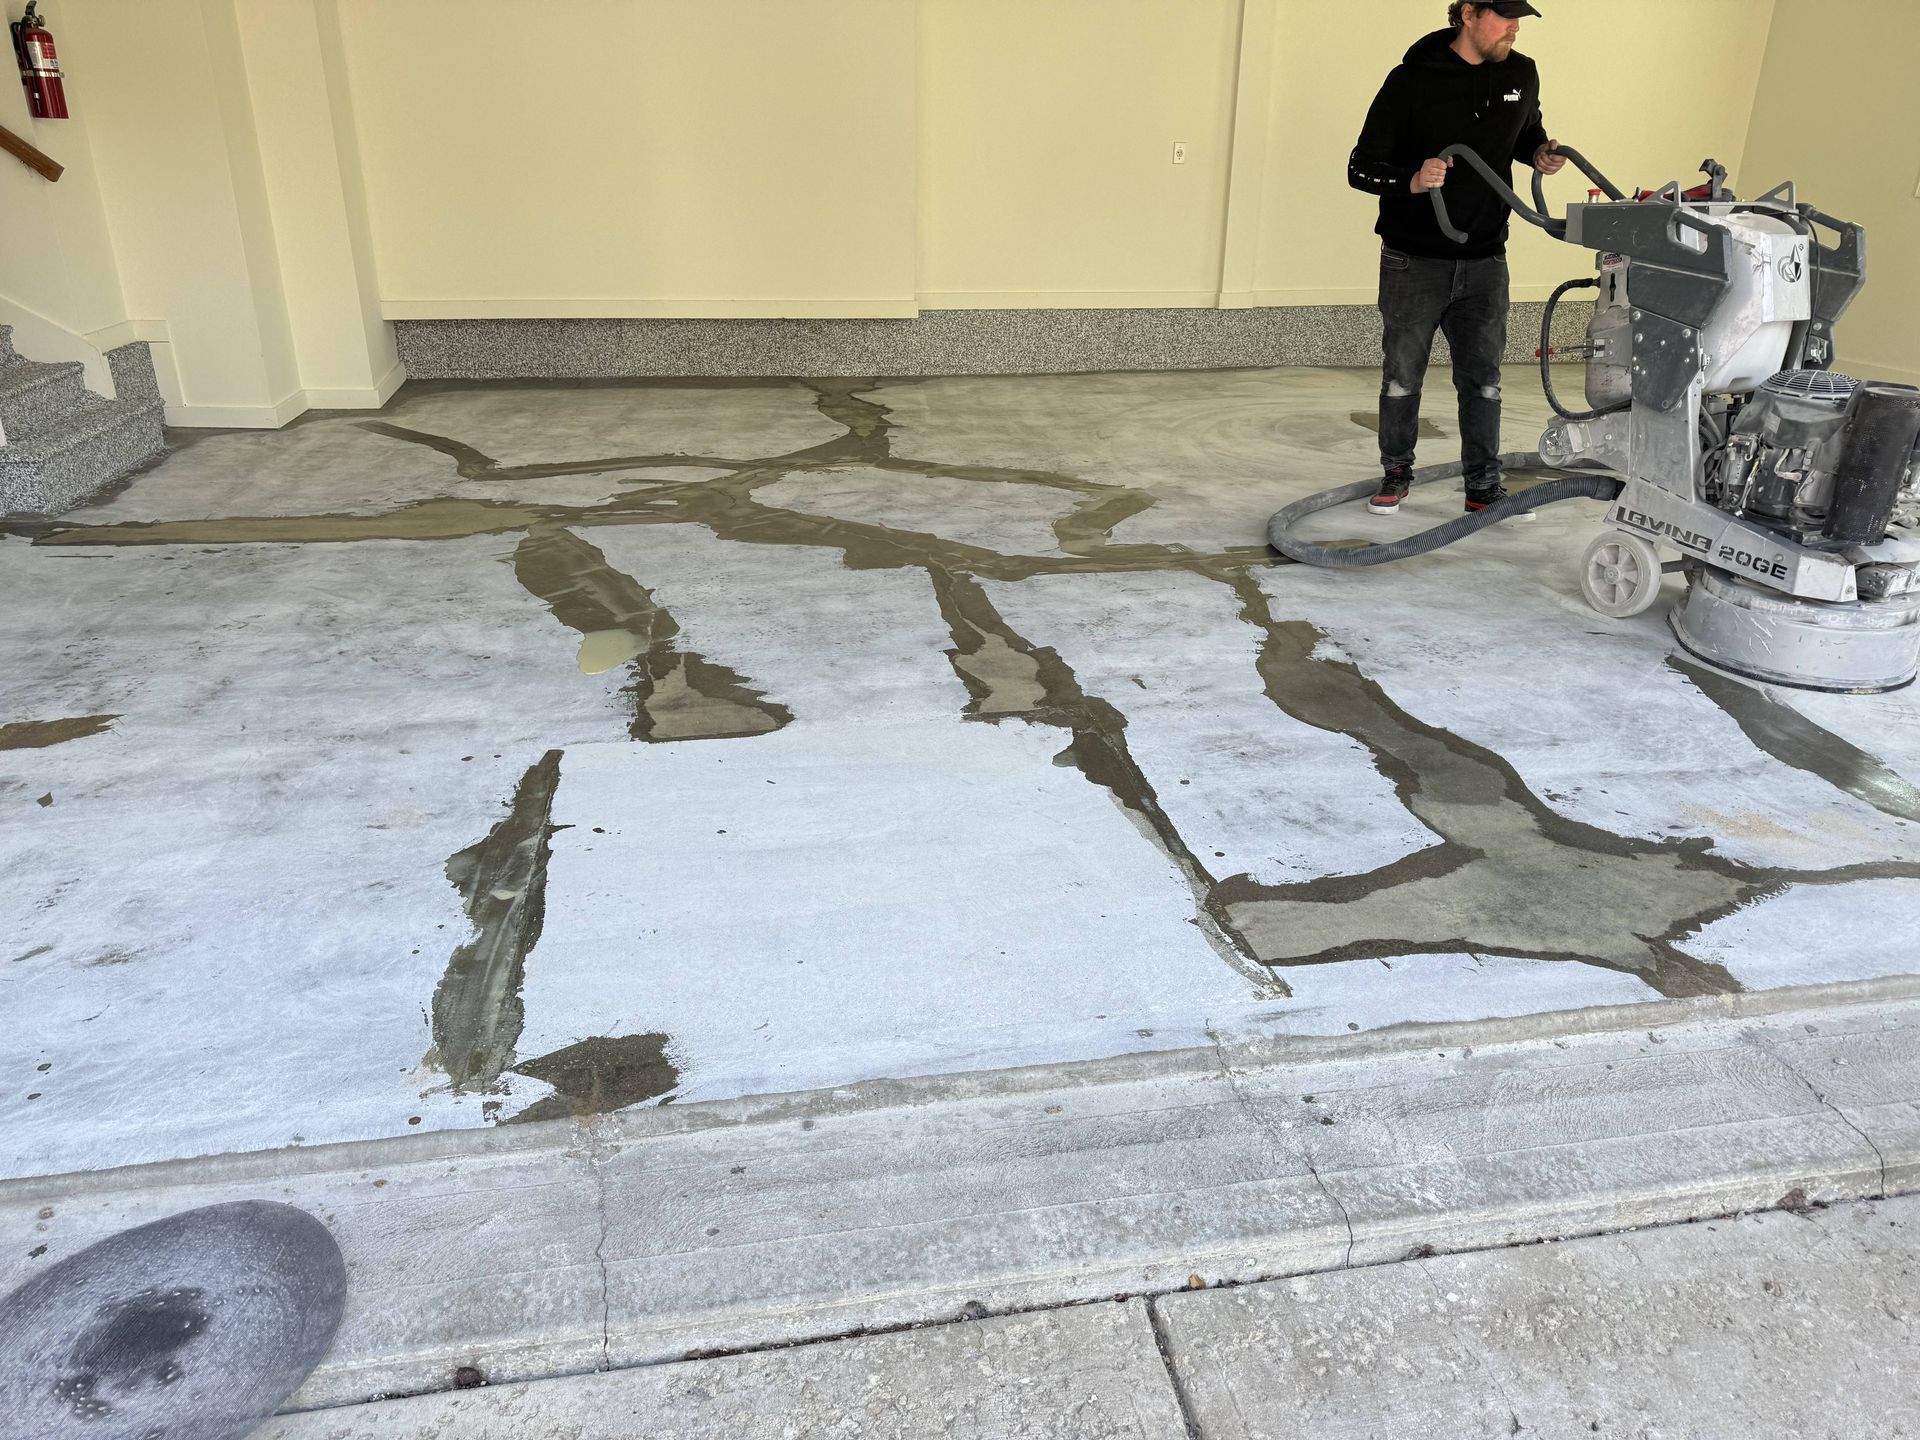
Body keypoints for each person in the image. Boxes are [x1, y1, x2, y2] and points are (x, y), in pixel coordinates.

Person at [1346, 0, 1567, 516]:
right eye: (1504, 15)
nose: (1515, 26)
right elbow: (1360, 168)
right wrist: (1412, 180)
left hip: (1487, 258)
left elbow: (1525, 132)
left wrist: (1539, 153)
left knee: (1483, 379)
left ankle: (1483, 487)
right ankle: (1396, 473)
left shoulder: (1521, 72)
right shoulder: (1411, 80)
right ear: (1468, 13)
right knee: (1403, 375)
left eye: (1520, 17)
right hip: (1414, 260)